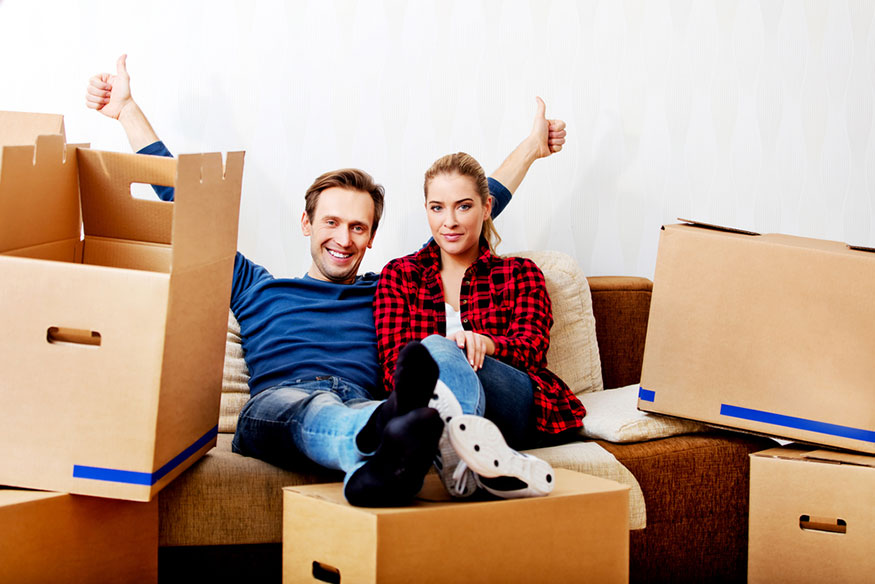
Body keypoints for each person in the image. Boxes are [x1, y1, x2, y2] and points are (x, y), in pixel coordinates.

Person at [86, 54, 568, 506]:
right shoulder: (257, 287)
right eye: (331, 223)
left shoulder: (389, 288)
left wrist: (527, 152)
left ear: (372, 237)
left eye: (358, 227)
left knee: (389, 392)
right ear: (306, 223)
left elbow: (461, 221)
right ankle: (391, 439)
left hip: (365, 399)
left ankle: (388, 459)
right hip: (282, 403)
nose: (343, 238)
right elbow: (186, 211)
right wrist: (128, 111)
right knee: (311, 408)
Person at [374, 151, 585, 498]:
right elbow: (395, 371)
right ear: (426, 210)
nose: (450, 221)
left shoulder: (519, 274)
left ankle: (455, 453)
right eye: (437, 207)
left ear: (487, 208)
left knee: (438, 347)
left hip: (509, 400)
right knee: (432, 352)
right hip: (428, 404)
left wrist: (486, 344)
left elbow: (532, 350)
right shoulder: (400, 276)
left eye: (464, 206)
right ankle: (472, 456)